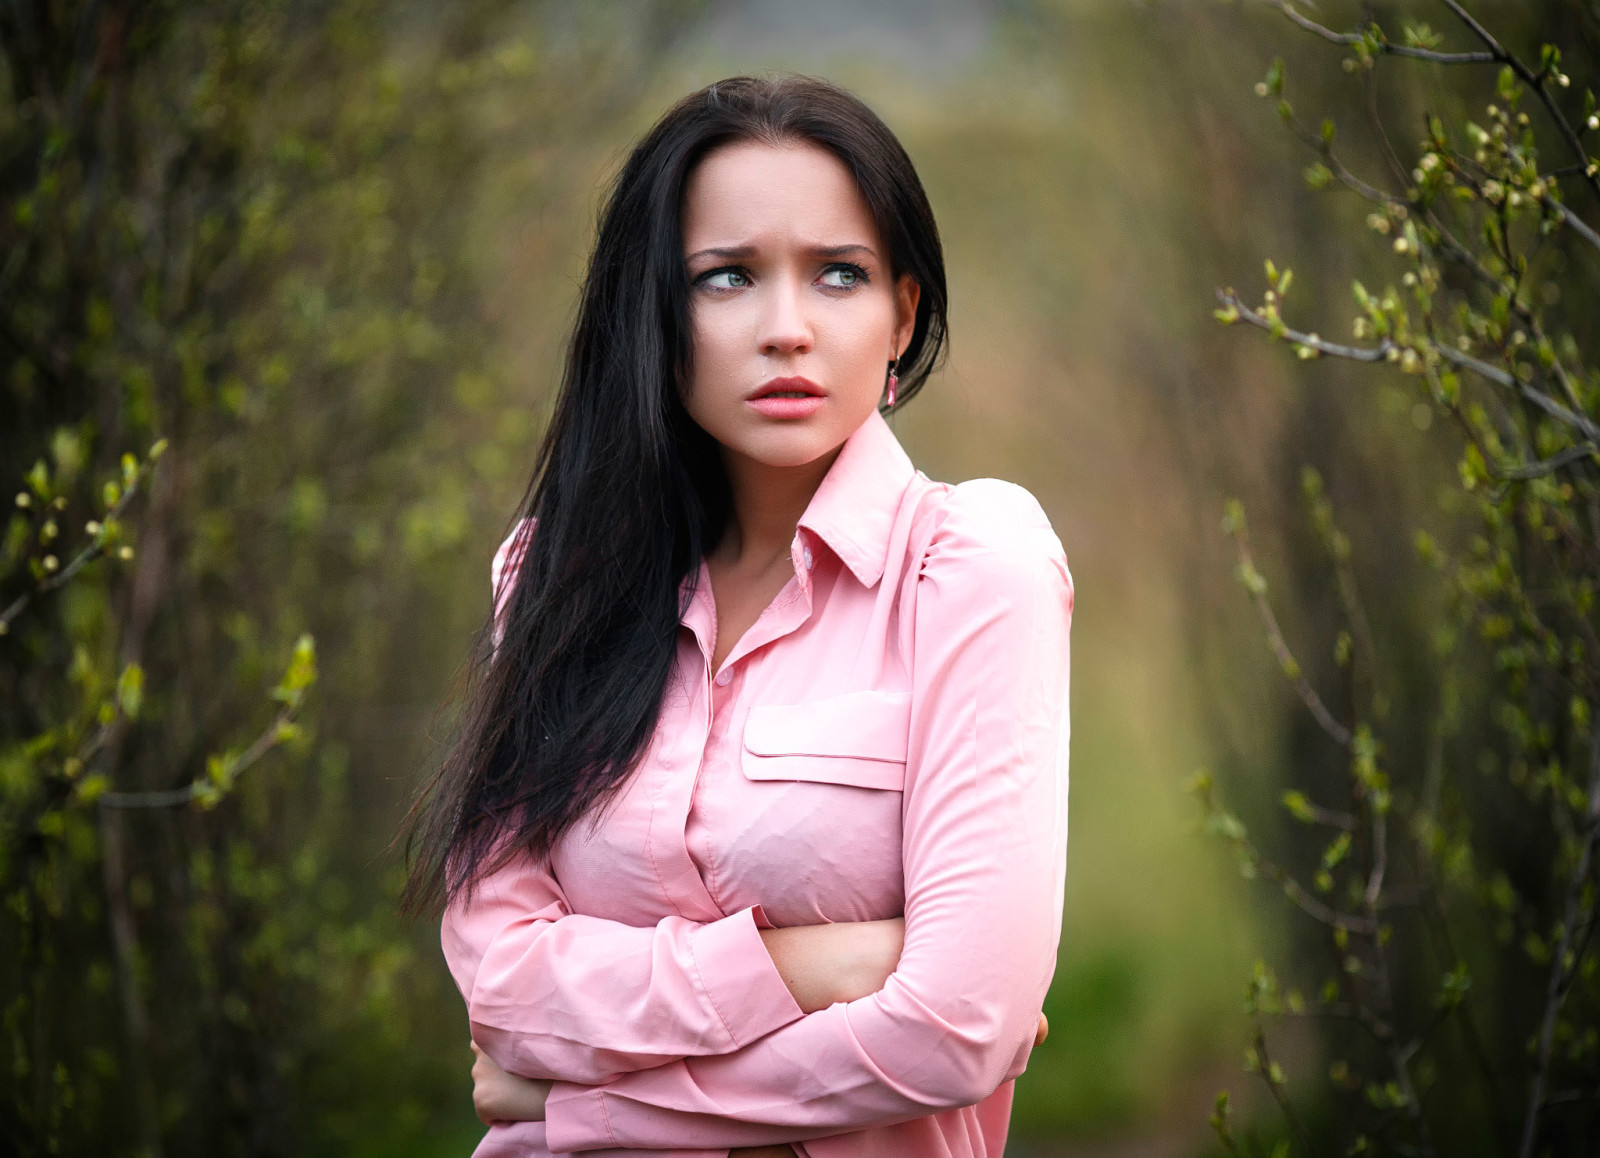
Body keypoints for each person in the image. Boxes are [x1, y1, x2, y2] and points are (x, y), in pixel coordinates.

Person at [401, 73, 1075, 1158]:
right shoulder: (552, 580)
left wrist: (580, 1106)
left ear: (902, 314)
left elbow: (955, 1033)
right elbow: (504, 988)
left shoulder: (971, 571)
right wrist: (810, 967)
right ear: (655, 316)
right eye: (726, 279)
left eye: (839, 276)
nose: (786, 329)